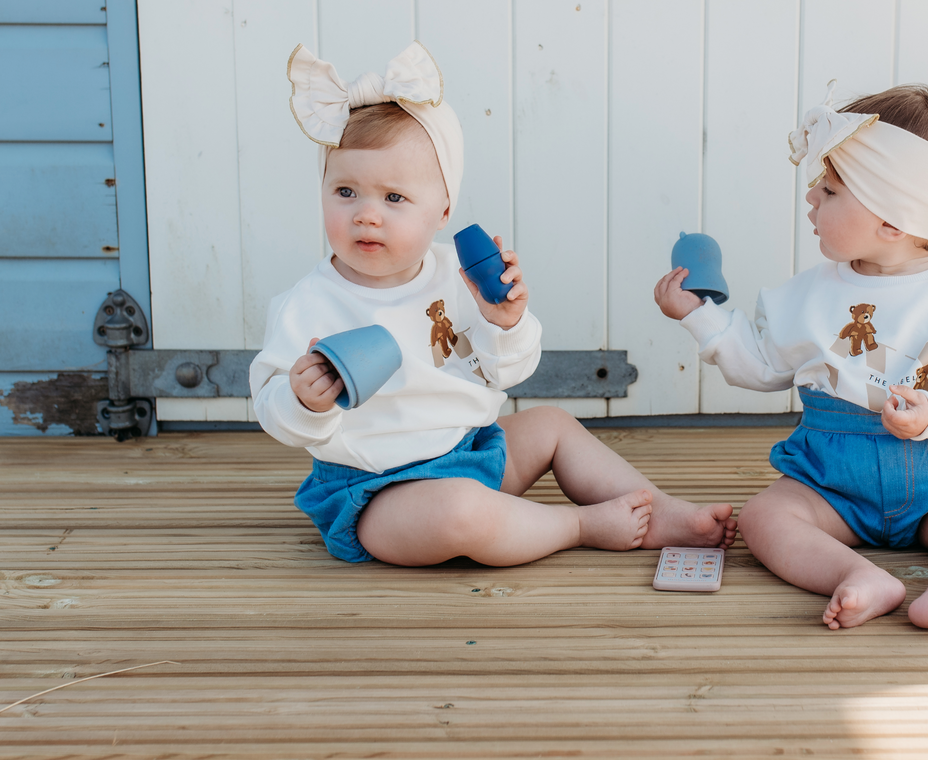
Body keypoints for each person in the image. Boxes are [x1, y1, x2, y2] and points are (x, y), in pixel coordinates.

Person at [253, 42, 735, 566]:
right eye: (346, 192)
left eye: (394, 198)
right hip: (376, 494)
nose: (367, 215)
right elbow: (272, 409)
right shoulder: (307, 304)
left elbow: (504, 373)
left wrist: (504, 323)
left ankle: (660, 509)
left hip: (471, 451)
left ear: (442, 211)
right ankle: (576, 525)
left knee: (551, 425)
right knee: (460, 512)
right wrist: (303, 401)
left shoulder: (455, 277)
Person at [655, 84, 928, 629]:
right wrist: (700, 315)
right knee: (767, 517)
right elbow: (762, 363)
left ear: (893, 221)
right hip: (833, 484)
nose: (811, 199)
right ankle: (855, 573)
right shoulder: (807, 295)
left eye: (831, 191)